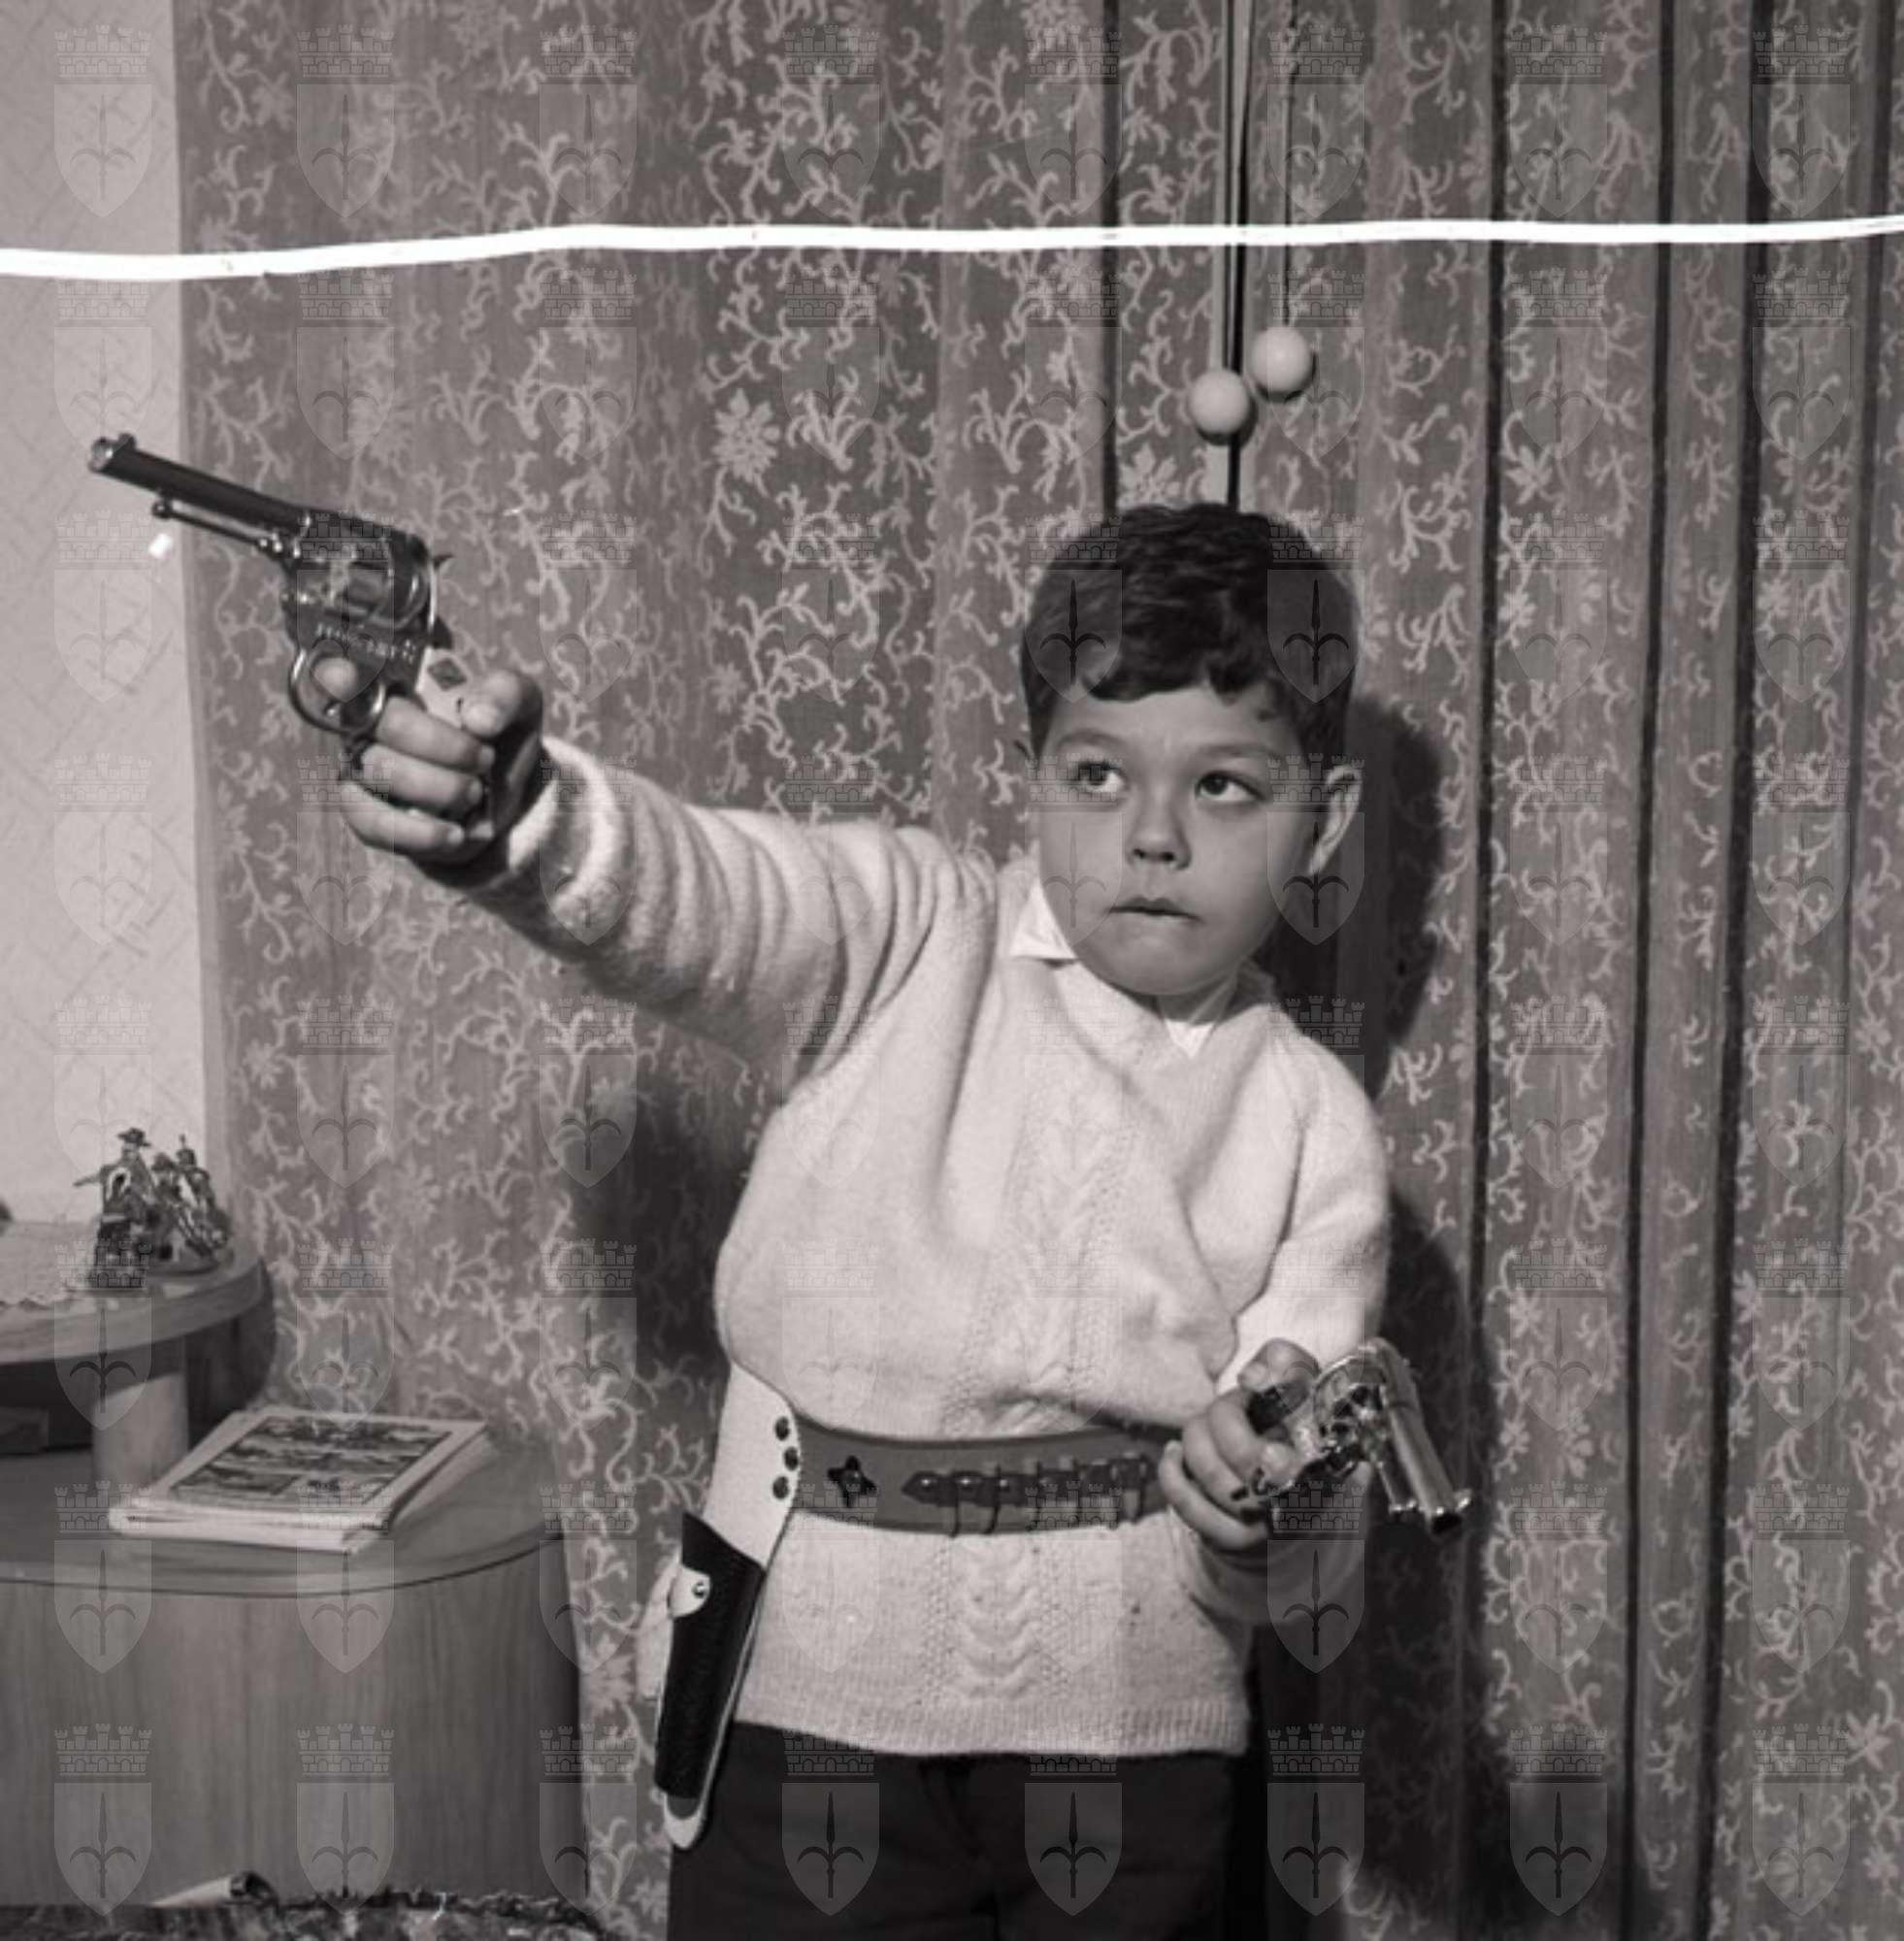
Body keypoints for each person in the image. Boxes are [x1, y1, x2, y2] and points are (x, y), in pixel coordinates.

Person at [315, 502, 1386, 1937]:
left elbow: (1307, 1487)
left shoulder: (1315, 1122)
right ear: (1032, 778)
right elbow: (714, 894)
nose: (1149, 836)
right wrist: (526, 818)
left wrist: (1259, 1493)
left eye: (1226, 788)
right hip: (801, 1718)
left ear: (1326, 821)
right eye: (1095, 773)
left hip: (1137, 1753)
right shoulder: (906, 932)